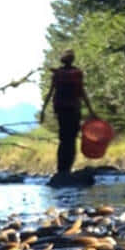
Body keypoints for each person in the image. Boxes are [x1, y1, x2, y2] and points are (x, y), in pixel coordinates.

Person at [39, 49, 97, 177]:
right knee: (71, 139)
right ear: (72, 60)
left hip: (61, 110)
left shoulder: (57, 74)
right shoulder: (77, 74)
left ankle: (61, 169)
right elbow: (82, 93)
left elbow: (50, 93)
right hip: (73, 109)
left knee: (63, 139)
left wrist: (43, 111)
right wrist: (92, 111)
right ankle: (67, 169)